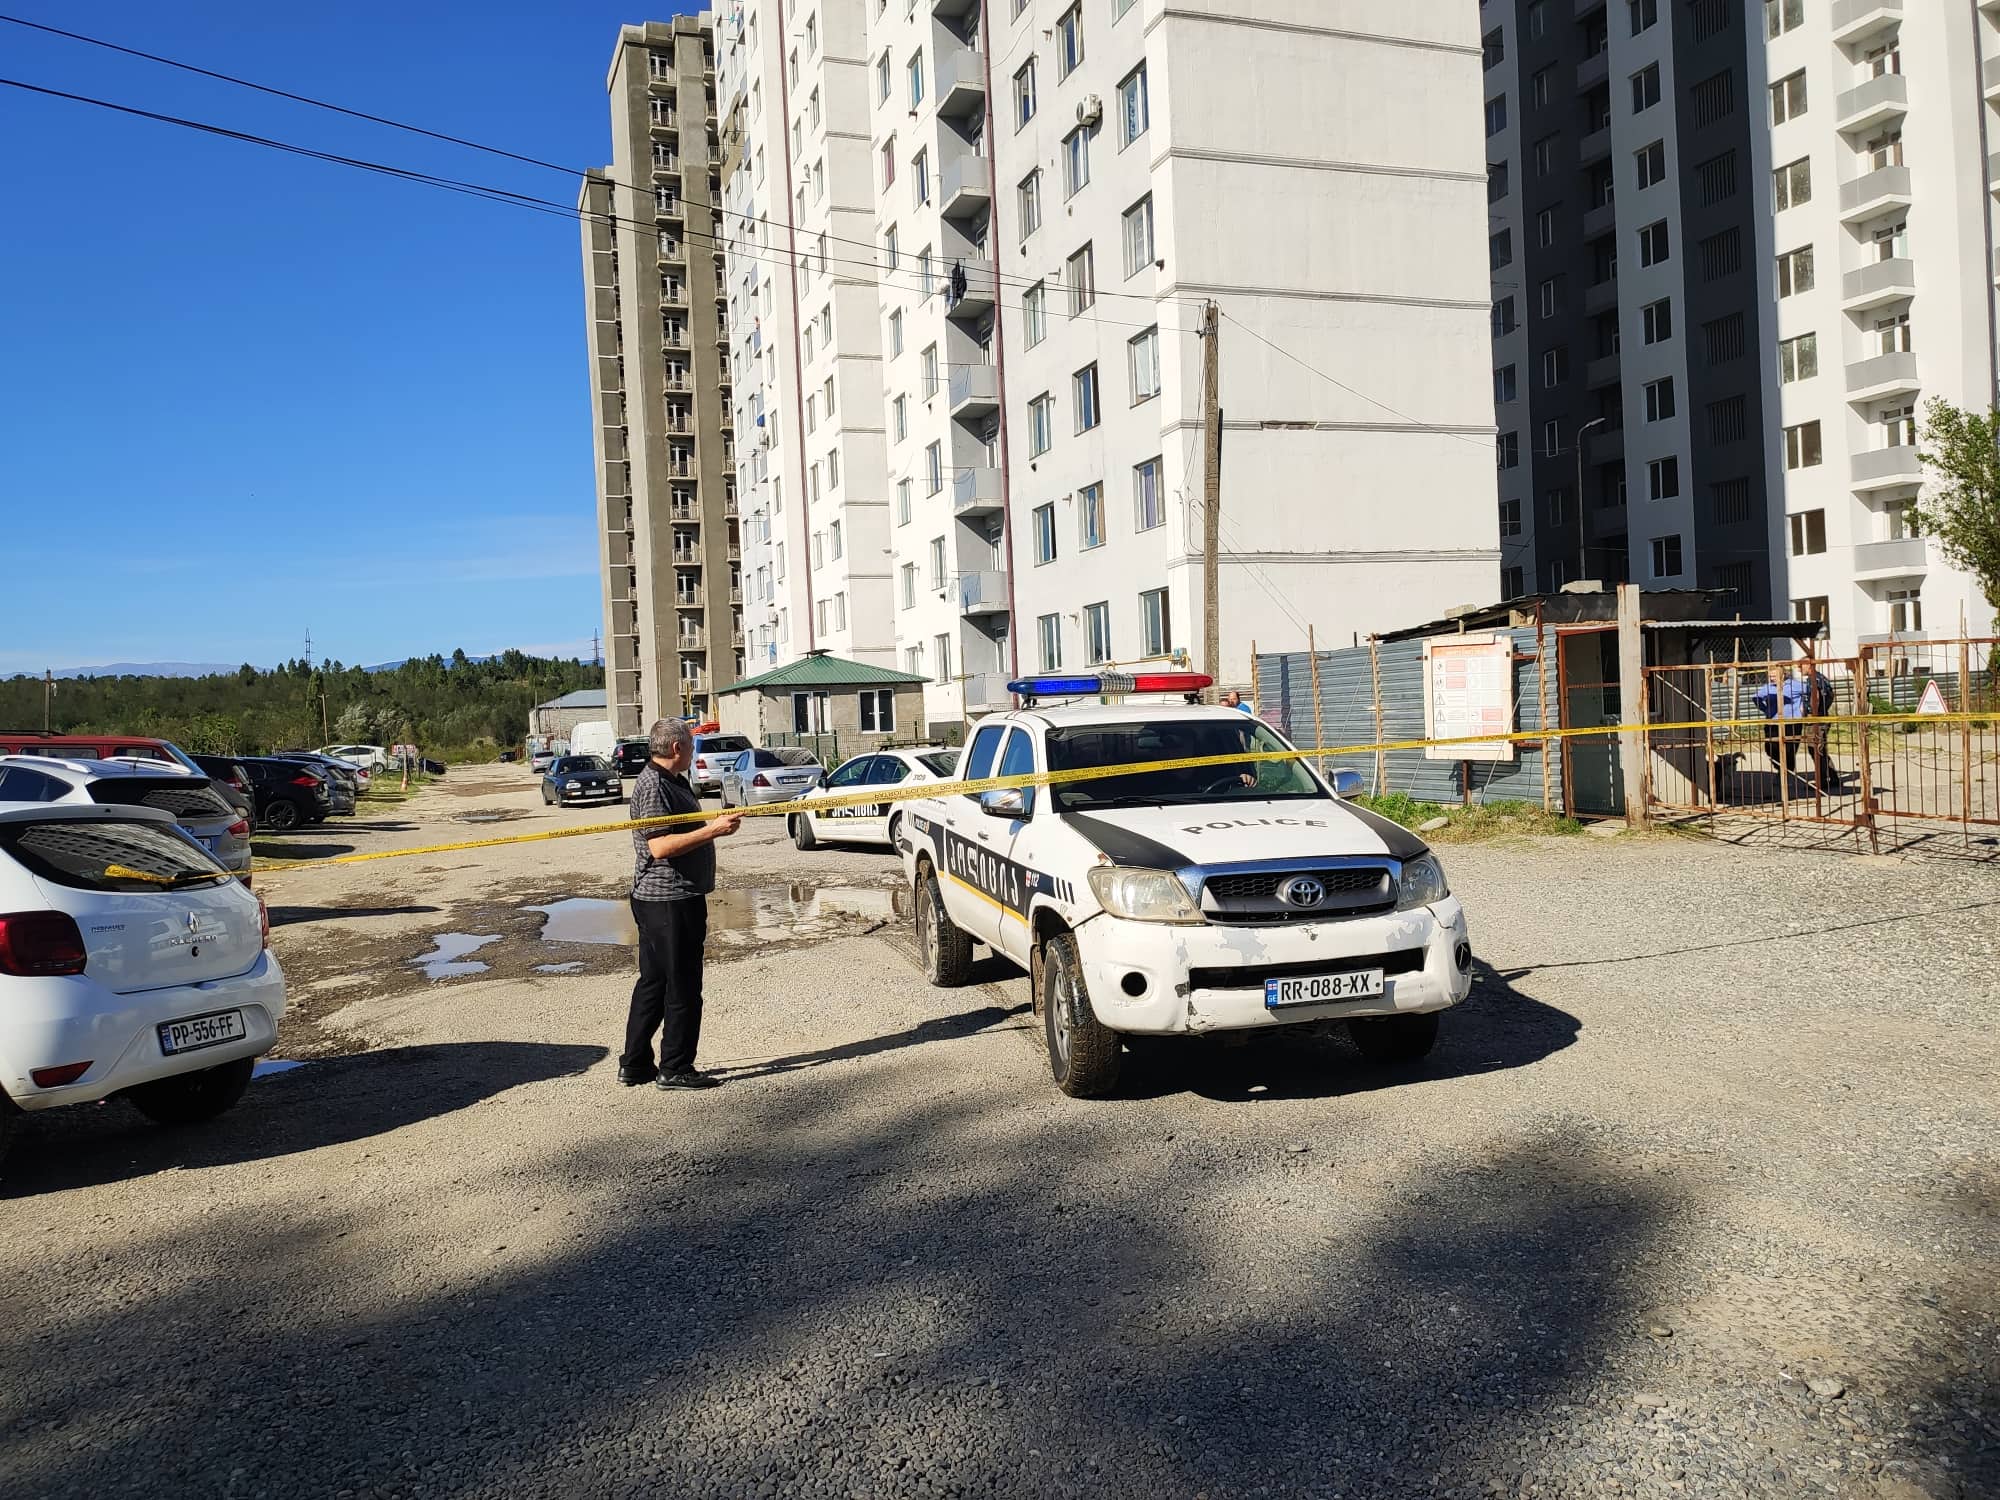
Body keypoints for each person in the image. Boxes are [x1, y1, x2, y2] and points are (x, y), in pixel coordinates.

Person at [619, 718, 742, 1091]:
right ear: (677, 748)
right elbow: (660, 847)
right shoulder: (654, 785)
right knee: (682, 985)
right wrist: (713, 830)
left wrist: (710, 825)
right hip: (668, 901)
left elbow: (679, 830)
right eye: (691, 744)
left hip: (672, 899)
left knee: (655, 982)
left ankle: (635, 1064)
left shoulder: (673, 780)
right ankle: (675, 1067)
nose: (693, 750)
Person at [1751, 664, 1807, 789]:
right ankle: (1780, 768)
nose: (1772, 679)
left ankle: (1786, 773)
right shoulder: (1768, 687)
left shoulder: (1795, 685)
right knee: (1770, 747)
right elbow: (1755, 697)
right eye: (1770, 676)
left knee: (1789, 749)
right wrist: (1764, 709)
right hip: (1773, 722)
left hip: (1792, 722)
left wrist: (1804, 707)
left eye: (1774, 676)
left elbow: (1811, 692)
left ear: (1783, 675)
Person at [1796, 661, 1839, 795]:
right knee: (1820, 749)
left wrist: (1813, 714)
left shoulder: (1813, 680)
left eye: (1800, 666)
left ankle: (1821, 781)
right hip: (1822, 717)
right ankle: (1832, 777)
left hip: (1816, 720)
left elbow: (1816, 697)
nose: (1799, 669)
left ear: (1809, 665)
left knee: (1815, 749)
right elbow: (1830, 696)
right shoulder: (1822, 678)